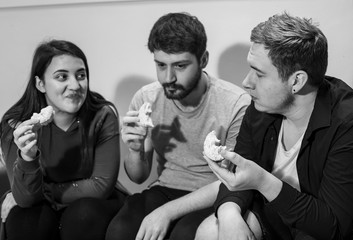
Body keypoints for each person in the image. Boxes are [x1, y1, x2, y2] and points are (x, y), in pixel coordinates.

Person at [195, 12, 353, 240]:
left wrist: (262, 180)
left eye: (259, 74)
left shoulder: (350, 123)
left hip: (319, 228)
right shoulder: (262, 106)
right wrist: (229, 213)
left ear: (296, 81)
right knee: (210, 230)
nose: (246, 82)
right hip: (274, 216)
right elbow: (239, 172)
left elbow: (332, 227)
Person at [106, 12, 251, 240]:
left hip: (214, 193)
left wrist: (165, 213)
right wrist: (134, 151)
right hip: (164, 188)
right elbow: (138, 177)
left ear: (203, 60)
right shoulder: (147, 98)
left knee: (183, 235)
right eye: (161, 65)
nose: (168, 77)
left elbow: (232, 183)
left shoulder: (236, 104)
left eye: (180, 66)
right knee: (120, 231)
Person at [0, 39, 128, 240]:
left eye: (81, 75)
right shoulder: (16, 124)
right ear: (40, 84)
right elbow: (25, 199)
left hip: (92, 204)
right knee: (23, 219)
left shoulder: (102, 116)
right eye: (62, 77)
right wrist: (27, 156)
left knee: (83, 215)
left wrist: (44, 191)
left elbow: (101, 185)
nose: (75, 85)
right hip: (40, 204)